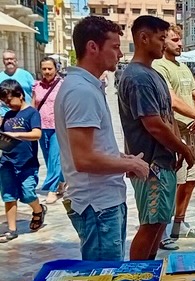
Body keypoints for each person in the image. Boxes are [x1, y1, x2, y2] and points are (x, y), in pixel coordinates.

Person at [54, 16, 149, 261]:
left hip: (104, 202)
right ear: (92, 47)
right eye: (115, 47)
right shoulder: (81, 91)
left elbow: (94, 147)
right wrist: (131, 164)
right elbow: (84, 159)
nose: (119, 54)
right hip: (97, 206)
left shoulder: (86, 86)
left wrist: (120, 157)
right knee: (104, 279)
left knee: (110, 274)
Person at [117, 15, 195, 261]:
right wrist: (183, 149)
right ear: (143, 38)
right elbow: (154, 124)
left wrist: (175, 151)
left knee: (159, 222)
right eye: (161, 38)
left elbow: (166, 118)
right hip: (150, 166)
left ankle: (148, 272)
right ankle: (137, 279)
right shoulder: (138, 78)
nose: (164, 43)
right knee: (150, 225)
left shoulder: (153, 74)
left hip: (162, 162)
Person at [153, 24, 195, 250]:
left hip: (191, 131)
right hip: (175, 132)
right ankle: (164, 229)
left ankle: (179, 223)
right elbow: (172, 99)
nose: (180, 44)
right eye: (175, 40)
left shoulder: (183, 67)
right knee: (174, 181)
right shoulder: (160, 66)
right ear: (164, 41)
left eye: (179, 40)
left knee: (192, 178)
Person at [0, 79, 46, 243]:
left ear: (19, 95)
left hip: (26, 163)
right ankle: (12, 229)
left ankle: (38, 209)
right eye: (4, 102)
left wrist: (17, 135)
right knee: (8, 195)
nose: (7, 104)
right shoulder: (7, 115)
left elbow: (36, 134)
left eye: (9, 100)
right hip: (6, 162)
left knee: (27, 194)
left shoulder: (32, 113)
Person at [32, 56, 65, 204]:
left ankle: (52, 190)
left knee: (54, 157)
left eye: (49, 68)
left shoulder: (62, 85)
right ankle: (62, 182)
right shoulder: (37, 86)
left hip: (58, 126)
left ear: (56, 69)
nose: (46, 71)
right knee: (47, 157)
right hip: (41, 127)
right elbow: (34, 105)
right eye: (44, 69)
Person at [0, 50, 35, 117]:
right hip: (5, 115)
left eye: (11, 59)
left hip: (25, 113)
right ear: (3, 61)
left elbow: (34, 94)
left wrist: (32, 109)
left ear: (16, 60)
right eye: (7, 59)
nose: (9, 61)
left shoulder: (26, 75)